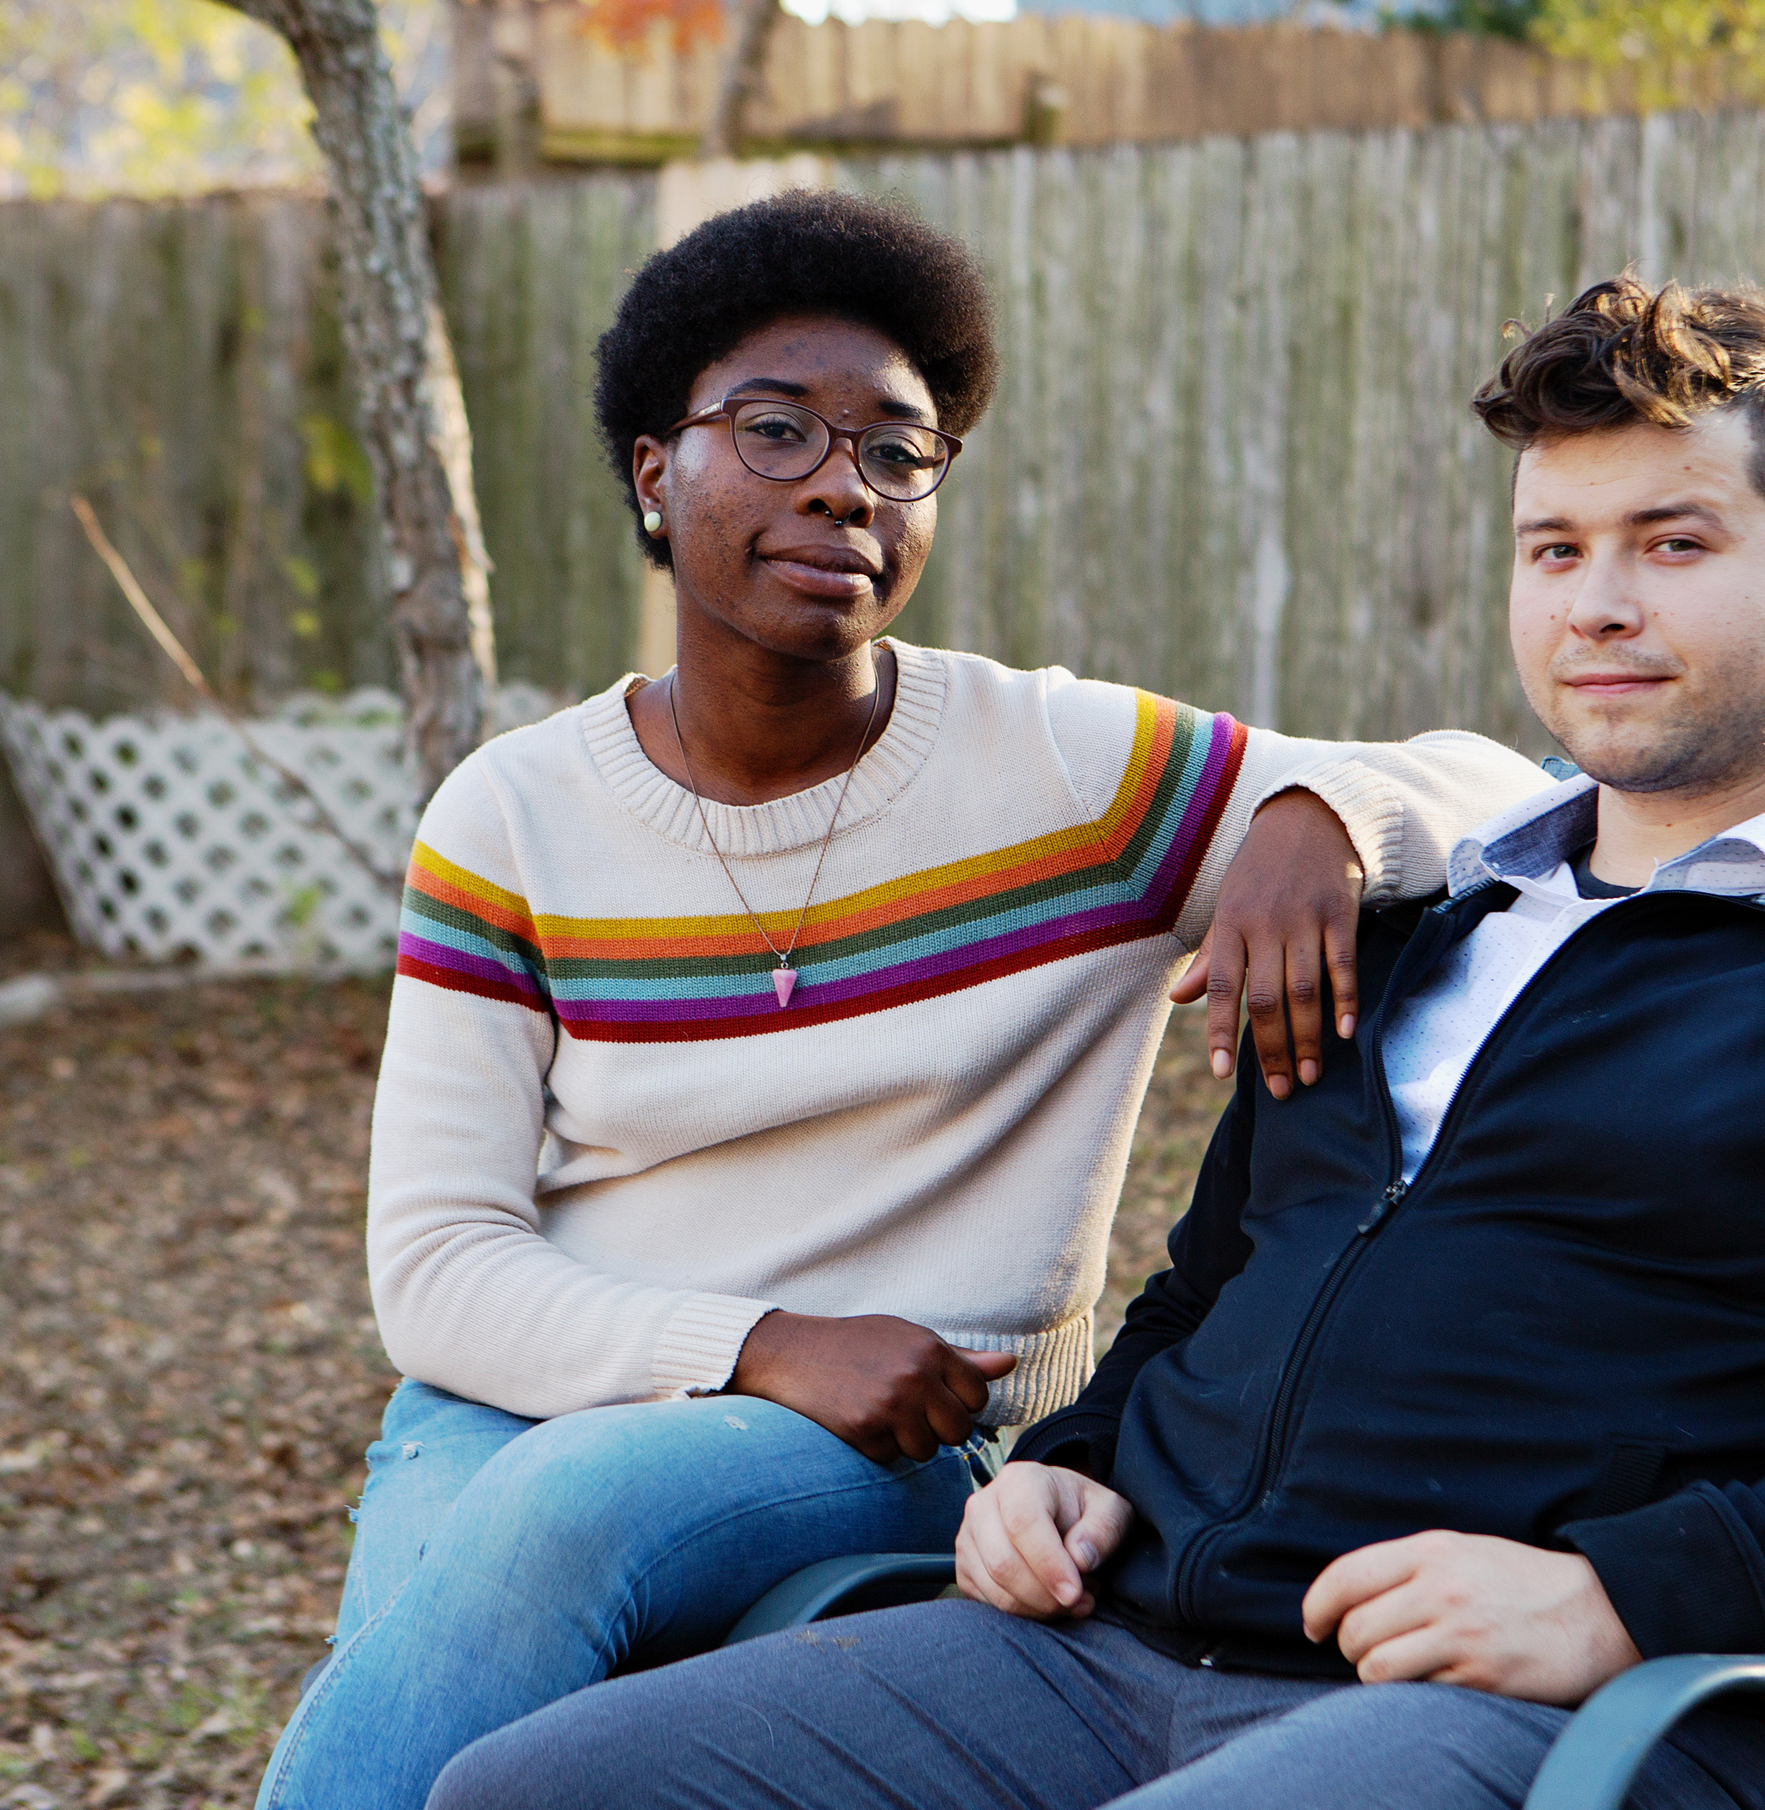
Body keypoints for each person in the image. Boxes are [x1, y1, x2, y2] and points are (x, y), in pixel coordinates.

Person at [427, 274, 1765, 1810]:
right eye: (1554, 549)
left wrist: (1628, 1595)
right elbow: (1205, 1294)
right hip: (1113, 1658)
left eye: (1674, 541)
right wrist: (1068, 1468)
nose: (1597, 606)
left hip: (1586, 1719)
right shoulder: (1411, 934)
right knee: (535, 1785)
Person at [251, 192, 1548, 1810]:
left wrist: (1325, 816)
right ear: (656, 473)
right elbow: (437, 1263)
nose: (837, 485)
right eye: (775, 429)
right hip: (536, 1390)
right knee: (477, 1560)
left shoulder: (1068, 774)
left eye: (894, 448)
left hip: (913, 1434)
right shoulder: (511, 815)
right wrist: (760, 1342)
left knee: (544, 1521)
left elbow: (1516, 786)